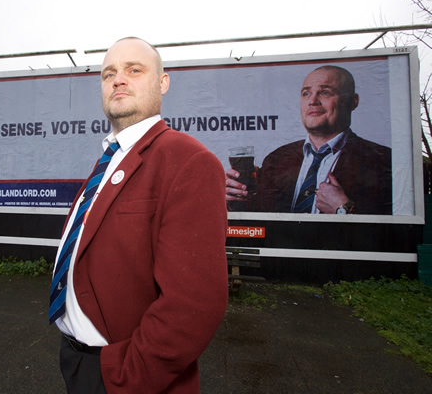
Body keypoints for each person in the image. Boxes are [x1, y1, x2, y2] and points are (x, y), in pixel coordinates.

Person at [49, 37, 229, 394]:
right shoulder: (110, 159)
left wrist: (123, 377)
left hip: (124, 377)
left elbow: (193, 306)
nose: (118, 79)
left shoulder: (187, 160)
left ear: (163, 82)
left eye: (134, 70)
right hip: (79, 361)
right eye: (109, 73)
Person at [225, 65, 392, 215]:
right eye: (306, 93)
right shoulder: (276, 159)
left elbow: (397, 236)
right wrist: (233, 201)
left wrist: (344, 209)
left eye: (325, 92)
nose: (313, 101)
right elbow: (260, 223)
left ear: (353, 101)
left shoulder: (384, 161)